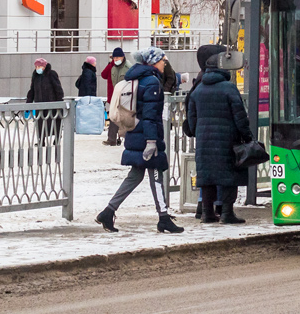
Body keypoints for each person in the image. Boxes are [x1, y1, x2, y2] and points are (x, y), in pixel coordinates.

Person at [96, 47, 183, 234]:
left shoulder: (135, 78)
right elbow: (151, 116)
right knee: (157, 175)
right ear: (152, 62)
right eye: (162, 60)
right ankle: (164, 218)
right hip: (147, 135)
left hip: (135, 132)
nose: (164, 63)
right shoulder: (152, 82)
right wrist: (152, 141)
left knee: (136, 175)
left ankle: (108, 211)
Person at [187, 44, 253, 225]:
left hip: (204, 141)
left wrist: (198, 133)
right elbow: (240, 117)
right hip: (226, 140)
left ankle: (207, 213)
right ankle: (227, 213)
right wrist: (247, 136)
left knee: (207, 176)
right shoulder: (229, 88)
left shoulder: (198, 90)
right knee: (228, 176)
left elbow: (191, 119)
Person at [26, 58, 65, 143]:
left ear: (44, 66)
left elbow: (58, 88)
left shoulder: (51, 74)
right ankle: (41, 140)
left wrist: (60, 102)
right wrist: (28, 103)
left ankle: (57, 138)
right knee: (40, 123)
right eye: (36, 66)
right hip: (39, 104)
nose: (37, 68)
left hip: (52, 103)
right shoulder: (35, 75)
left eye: (39, 66)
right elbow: (32, 90)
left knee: (55, 122)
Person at [101, 47, 129, 146]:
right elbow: (103, 75)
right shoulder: (112, 67)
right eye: (114, 58)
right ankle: (112, 138)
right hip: (113, 96)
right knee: (113, 116)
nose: (116, 59)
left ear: (123, 57)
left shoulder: (128, 67)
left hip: (125, 97)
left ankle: (126, 138)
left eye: (118, 57)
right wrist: (110, 64)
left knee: (125, 117)